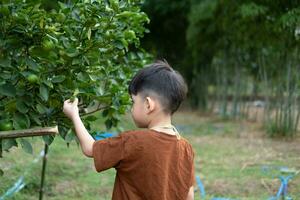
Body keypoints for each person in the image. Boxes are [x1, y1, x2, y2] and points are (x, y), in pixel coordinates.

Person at [63, 60, 195, 200]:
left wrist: (74, 114)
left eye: (133, 101)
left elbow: (90, 148)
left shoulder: (133, 141)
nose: (131, 108)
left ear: (148, 104)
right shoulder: (186, 148)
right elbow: (189, 195)